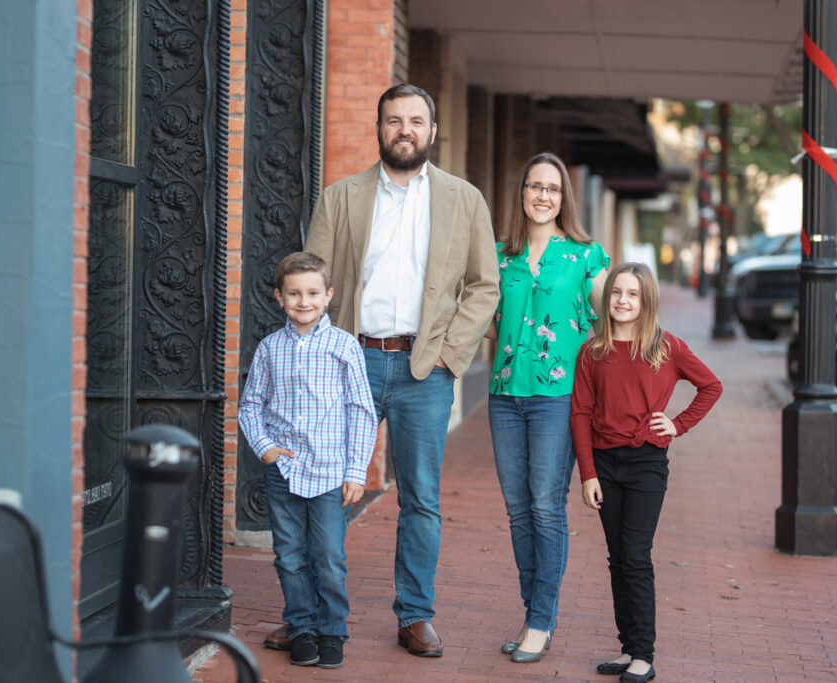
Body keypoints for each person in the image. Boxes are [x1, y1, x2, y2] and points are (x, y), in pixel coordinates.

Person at [304, 83, 500, 657]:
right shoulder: (340, 198)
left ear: (432, 132)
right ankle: (314, 610)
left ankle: (414, 614)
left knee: (421, 498)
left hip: (424, 368)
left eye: (416, 121)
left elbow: (484, 285)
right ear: (379, 128)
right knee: (328, 488)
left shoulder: (465, 200)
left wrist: (449, 354)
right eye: (395, 120)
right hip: (349, 359)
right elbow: (312, 278)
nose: (405, 130)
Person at [570, 261, 722, 682]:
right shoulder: (593, 351)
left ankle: (643, 655)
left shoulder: (664, 347)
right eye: (617, 292)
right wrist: (587, 474)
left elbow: (711, 386)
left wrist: (677, 424)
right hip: (603, 464)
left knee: (635, 557)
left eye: (632, 294)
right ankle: (627, 648)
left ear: (646, 300)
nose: (622, 300)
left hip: (645, 465)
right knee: (617, 558)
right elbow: (580, 413)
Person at [487, 152, 609, 663]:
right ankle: (532, 612)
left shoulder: (586, 256)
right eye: (534, 186)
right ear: (521, 194)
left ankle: (540, 621)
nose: (542, 195)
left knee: (544, 504)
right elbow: (493, 324)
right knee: (518, 511)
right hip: (503, 396)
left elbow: (614, 315)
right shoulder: (498, 255)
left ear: (564, 199)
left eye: (553, 189)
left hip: (558, 400)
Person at [238, 251, 378, 670]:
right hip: (283, 469)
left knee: (329, 557)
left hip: (332, 471)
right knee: (290, 555)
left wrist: (357, 472)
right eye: (295, 293)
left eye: (313, 293)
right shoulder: (269, 349)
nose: (304, 301)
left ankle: (332, 630)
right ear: (280, 297)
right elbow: (251, 405)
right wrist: (265, 447)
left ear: (328, 295)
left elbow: (361, 410)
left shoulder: (344, 346)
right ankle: (300, 626)